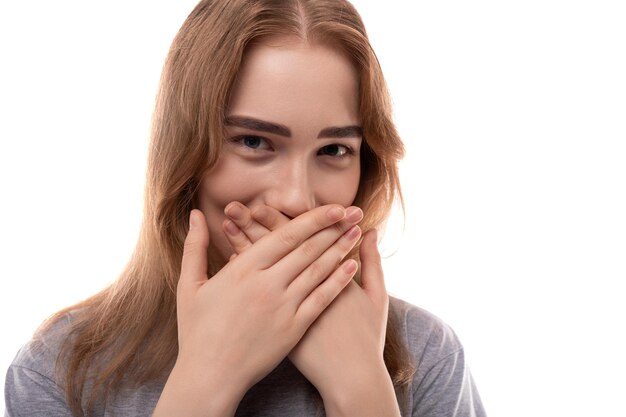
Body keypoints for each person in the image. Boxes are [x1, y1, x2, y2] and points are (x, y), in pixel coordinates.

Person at [4, 1, 486, 416]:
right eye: (254, 141)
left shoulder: (425, 354)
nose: (297, 198)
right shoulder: (62, 369)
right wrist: (206, 380)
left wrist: (361, 389)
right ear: (184, 156)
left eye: (335, 150)